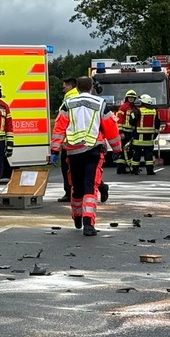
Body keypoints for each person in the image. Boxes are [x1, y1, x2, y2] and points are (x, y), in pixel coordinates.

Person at [50, 76, 122, 236]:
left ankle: (77, 216)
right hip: (92, 150)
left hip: (73, 151)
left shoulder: (68, 104)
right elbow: (111, 128)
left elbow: (59, 128)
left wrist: (54, 150)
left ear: (77, 87)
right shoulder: (100, 104)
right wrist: (117, 149)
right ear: (91, 87)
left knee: (76, 188)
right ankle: (88, 224)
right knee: (90, 186)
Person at [128, 94, 162, 175]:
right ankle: (150, 171)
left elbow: (131, 121)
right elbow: (158, 123)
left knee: (137, 155)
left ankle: (135, 170)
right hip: (149, 139)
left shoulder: (138, 111)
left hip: (138, 139)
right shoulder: (155, 111)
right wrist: (155, 134)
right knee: (149, 156)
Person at [57, 78, 78, 202]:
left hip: (69, 140)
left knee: (67, 168)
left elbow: (63, 122)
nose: (63, 88)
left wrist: (58, 144)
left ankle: (69, 192)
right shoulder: (79, 97)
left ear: (70, 86)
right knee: (81, 167)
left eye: (64, 86)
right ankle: (99, 185)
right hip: (81, 140)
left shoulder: (69, 99)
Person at [114, 89, 137, 174]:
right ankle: (121, 169)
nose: (131, 99)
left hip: (131, 132)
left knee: (127, 150)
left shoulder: (133, 107)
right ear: (127, 98)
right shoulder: (123, 107)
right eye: (130, 98)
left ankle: (123, 169)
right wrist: (120, 132)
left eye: (133, 98)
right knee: (124, 150)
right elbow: (119, 120)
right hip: (124, 132)